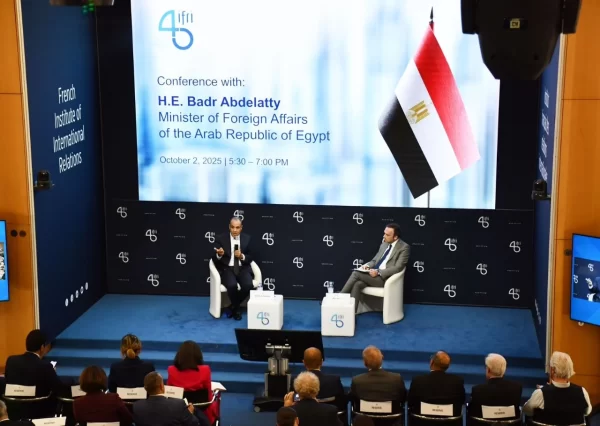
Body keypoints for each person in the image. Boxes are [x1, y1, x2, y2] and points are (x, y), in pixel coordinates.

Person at [341, 223, 410, 311]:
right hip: (373, 274)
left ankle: (339, 298)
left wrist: (378, 272)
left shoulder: (404, 247)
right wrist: (367, 266)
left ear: (395, 237)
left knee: (356, 274)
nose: (384, 236)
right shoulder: (384, 244)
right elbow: (374, 261)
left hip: (385, 279)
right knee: (357, 284)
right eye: (384, 233)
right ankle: (351, 312)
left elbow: (398, 267)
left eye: (387, 235)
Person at [523, 351, 591, 425]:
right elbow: (587, 412)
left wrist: (544, 390)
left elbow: (527, 411)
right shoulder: (582, 391)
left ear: (552, 370)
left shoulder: (540, 394)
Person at [212, 217, 255, 320]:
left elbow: (251, 257)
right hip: (227, 268)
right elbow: (213, 257)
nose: (235, 230)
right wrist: (219, 254)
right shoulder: (221, 238)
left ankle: (232, 307)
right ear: (229, 227)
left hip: (242, 267)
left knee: (248, 285)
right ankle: (237, 310)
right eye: (232, 227)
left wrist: (241, 256)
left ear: (241, 228)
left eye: (237, 227)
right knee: (232, 285)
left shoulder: (247, 238)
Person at [167, 341, 218, 425]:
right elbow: (208, 398)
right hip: (201, 412)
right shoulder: (205, 370)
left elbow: (169, 393)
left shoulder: (171, 370)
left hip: (178, 413)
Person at [4, 329, 62, 397]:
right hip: (38, 403)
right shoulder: (46, 367)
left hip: (12, 403)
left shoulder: (11, 361)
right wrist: (52, 372)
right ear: (42, 347)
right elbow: (59, 389)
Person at [133, 372, 204, 426]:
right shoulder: (178, 405)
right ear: (161, 386)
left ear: (145, 389)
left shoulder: (137, 406)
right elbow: (194, 423)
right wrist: (190, 413)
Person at [407, 351, 465, 416]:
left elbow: (410, 402)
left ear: (431, 362)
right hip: (449, 421)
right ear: (448, 366)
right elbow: (462, 401)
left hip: (422, 420)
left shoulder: (418, 381)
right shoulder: (457, 382)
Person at [468, 354, 522, 419]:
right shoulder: (517, 388)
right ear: (504, 370)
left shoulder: (477, 390)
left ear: (488, 370)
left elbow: (471, 411)